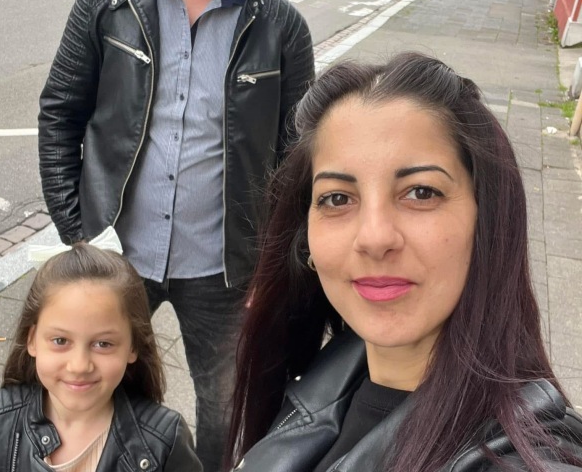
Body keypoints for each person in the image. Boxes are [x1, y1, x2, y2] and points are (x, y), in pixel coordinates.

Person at [38, 0, 313, 469]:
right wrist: (76, 231)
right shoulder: (107, 0)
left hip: (225, 268)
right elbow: (60, 111)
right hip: (115, 252)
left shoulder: (282, 27)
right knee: (87, 389)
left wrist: (274, 265)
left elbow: (298, 161)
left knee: (227, 409)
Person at [226, 52, 582, 472]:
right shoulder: (320, 375)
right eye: (337, 199)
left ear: (487, 218)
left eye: (421, 193)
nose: (375, 238)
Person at [0, 244, 201, 472]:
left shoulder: (163, 444)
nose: (79, 366)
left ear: (133, 347)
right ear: (32, 339)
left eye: (103, 344)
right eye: (60, 341)